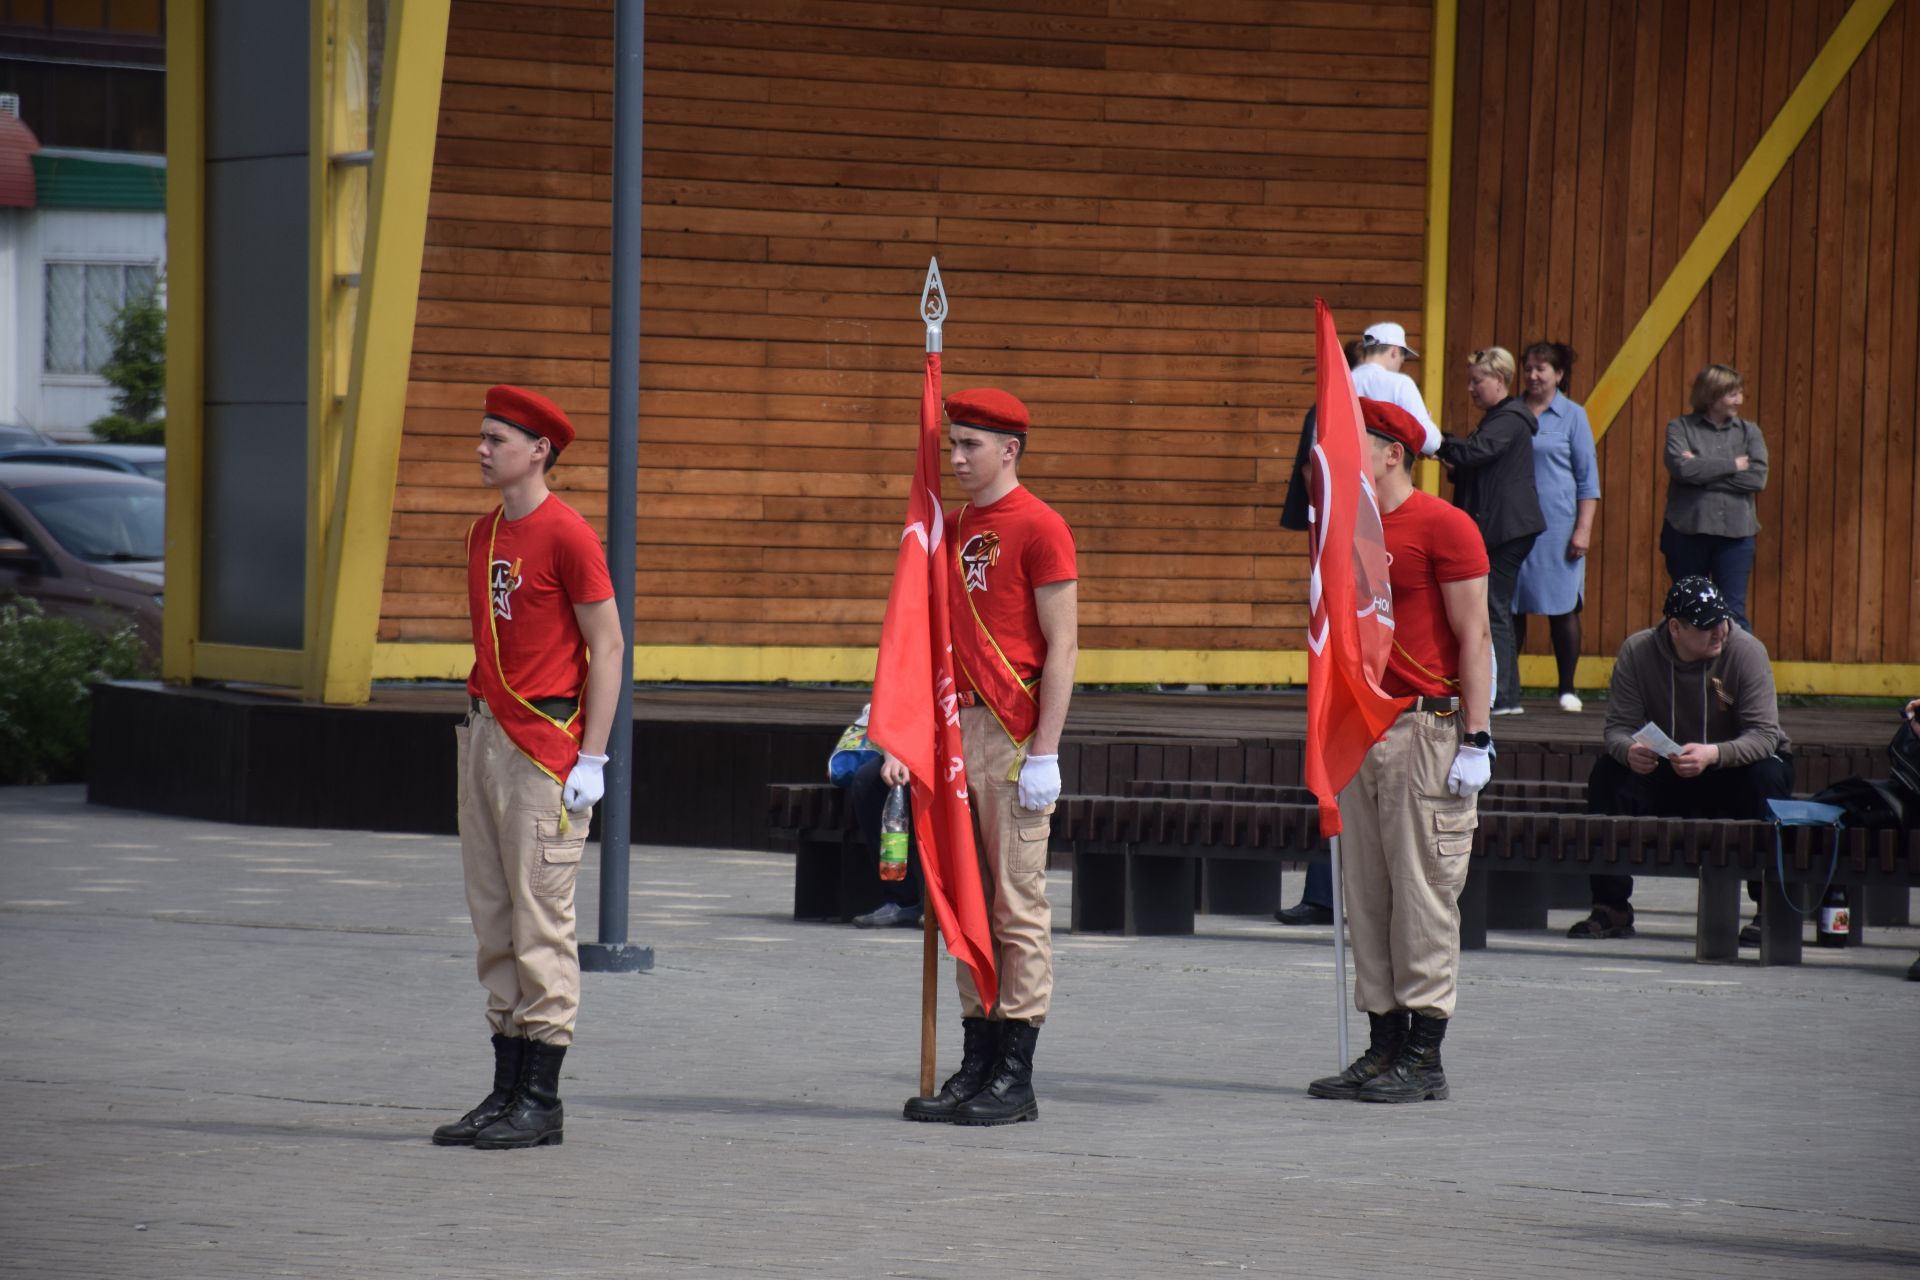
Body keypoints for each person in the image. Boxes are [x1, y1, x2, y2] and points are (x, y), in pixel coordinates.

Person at [432, 385, 624, 1151]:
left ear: (538, 450)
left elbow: (606, 647)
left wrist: (595, 756)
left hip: (545, 743)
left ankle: (540, 1101)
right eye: (480, 437)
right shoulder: (484, 534)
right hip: (484, 736)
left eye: (495, 439)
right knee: (495, 921)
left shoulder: (568, 533)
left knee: (542, 922)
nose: (481, 449)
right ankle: (504, 1088)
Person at [885, 388, 1078, 1127]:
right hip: (953, 727)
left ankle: (1015, 1071)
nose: (957, 458)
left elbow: (1062, 647)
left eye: (970, 445)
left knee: (1015, 905)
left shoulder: (1041, 527)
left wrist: (1046, 752)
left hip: (1013, 732)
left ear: (1011, 450)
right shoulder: (951, 524)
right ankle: (977, 1055)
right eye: (952, 444)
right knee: (961, 897)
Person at [1307, 397, 1492, 1106]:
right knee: (1369, 894)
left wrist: (1476, 737)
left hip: (1424, 728)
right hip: (1361, 728)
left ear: (1392, 452)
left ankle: (1425, 1053)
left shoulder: (1445, 526)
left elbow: (1473, 635)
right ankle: (1384, 1045)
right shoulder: (1342, 528)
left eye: (1359, 440)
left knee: (1422, 896)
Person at [1569, 577, 1791, 942]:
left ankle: (1769, 910)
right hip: (1669, 770)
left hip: (1729, 770)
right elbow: (1618, 729)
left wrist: (1714, 754)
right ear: (1675, 627)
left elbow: (1765, 736)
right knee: (1609, 773)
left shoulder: (1746, 651)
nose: (1720, 631)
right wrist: (1629, 751)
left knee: (1767, 776)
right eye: (1706, 626)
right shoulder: (1637, 652)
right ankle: (1611, 907)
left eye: (1723, 620)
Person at [1275, 338, 1371, 927]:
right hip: (1338, 646)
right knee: (1330, 759)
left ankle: (1341, 895)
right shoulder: (1329, 413)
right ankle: (1324, 893)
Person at [1436, 347, 1544, 717]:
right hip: (1506, 527)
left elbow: (1475, 453)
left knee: (1493, 609)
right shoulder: (1505, 417)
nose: (1470, 388)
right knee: (1494, 608)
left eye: (1476, 380)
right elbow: (1478, 462)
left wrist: (1438, 443)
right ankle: (1505, 696)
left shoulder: (1508, 419)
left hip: (1505, 529)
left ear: (1499, 380)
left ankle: (1504, 698)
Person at [1509, 341, 1600, 713]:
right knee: (1511, 607)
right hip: (1513, 525)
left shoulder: (1574, 416)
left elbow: (1587, 480)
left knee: (1563, 608)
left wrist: (1583, 529)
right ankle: (1507, 689)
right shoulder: (1511, 412)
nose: (1533, 375)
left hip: (1558, 527)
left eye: (1541, 369)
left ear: (1559, 375)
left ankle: (1567, 688)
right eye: (1528, 368)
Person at [1661, 364, 1768, 631]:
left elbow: (1757, 478)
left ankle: (1737, 672)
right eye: (1731, 394)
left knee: (1733, 613)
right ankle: (1684, 671)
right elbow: (1682, 469)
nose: (1739, 401)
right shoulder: (1680, 428)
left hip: (1736, 536)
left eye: (1739, 393)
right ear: (1711, 395)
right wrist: (1733, 464)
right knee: (1687, 609)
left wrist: (1702, 470)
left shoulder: (1749, 431)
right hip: (1687, 532)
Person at [1349, 321, 1439, 442]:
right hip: (1383, 459)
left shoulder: (1343, 381)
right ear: (1395, 351)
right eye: (1404, 354)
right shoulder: (1401, 384)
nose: (1402, 361)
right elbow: (1431, 442)